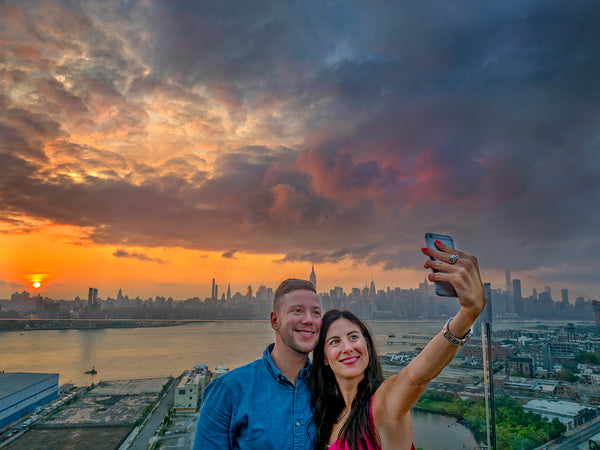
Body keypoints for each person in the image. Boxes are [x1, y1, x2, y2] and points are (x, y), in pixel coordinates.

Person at [311, 240, 486, 450]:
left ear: (367, 345)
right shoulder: (328, 414)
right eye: (335, 341)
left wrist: (468, 314)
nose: (347, 347)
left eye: (354, 337)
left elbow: (416, 377)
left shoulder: (383, 403)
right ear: (323, 357)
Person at [193, 278, 322, 449]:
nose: (309, 320)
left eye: (316, 313)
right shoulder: (229, 391)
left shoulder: (327, 387)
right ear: (274, 321)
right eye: (297, 311)